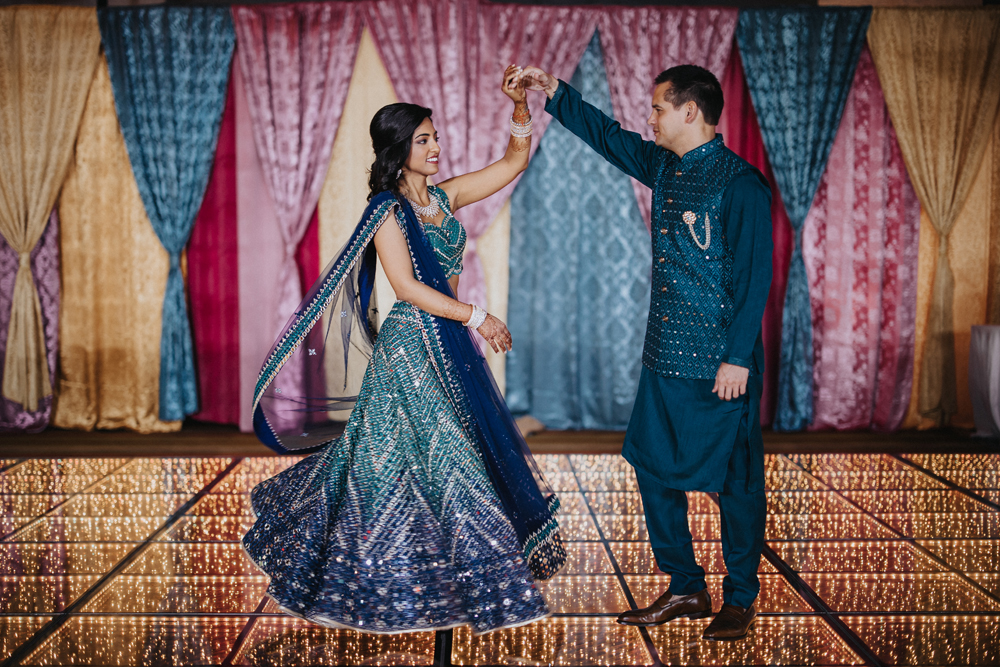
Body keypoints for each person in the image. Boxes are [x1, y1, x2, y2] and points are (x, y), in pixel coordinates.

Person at [242, 65, 566, 635]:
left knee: (443, 462)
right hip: (412, 349)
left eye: (435, 136)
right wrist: (478, 315)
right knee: (424, 464)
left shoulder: (445, 197)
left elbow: (514, 163)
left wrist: (519, 108)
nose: (436, 147)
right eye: (424, 140)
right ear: (399, 149)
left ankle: (456, 574)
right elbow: (409, 287)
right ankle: (413, 576)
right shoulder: (387, 210)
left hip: (448, 344)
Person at [518, 64, 772, 640]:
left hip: (719, 367)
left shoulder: (740, 184)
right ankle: (685, 586)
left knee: (735, 482)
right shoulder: (663, 166)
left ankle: (739, 596)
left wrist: (737, 357)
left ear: (691, 112)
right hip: (663, 357)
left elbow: (756, 277)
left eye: (659, 108)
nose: (650, 117)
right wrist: (555, 93)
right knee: (653, 469)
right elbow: (608, 136)